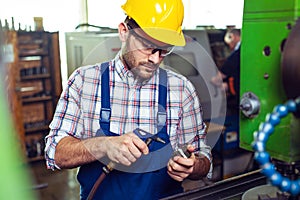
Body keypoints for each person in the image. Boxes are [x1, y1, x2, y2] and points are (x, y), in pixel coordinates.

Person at [45, 0, 212, 199]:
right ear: (124, 31)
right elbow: (55, 152)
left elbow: (204, 159)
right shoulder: (84, 82)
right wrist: (102, 146)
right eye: (148, 46)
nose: (155, 59)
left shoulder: (181, 89)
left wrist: (193, 166)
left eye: (164, 50)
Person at [211, 28, 241, 115]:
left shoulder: (239, 52)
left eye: (229, 44)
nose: (230, 47)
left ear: (232, 36)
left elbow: (219, 77)